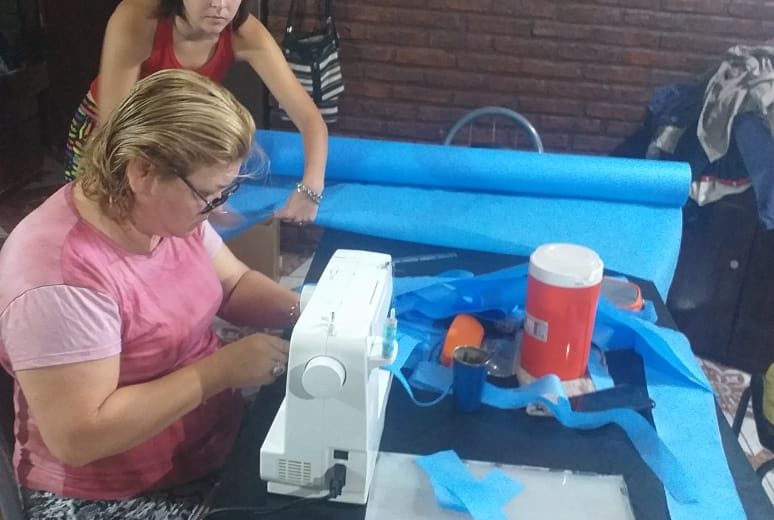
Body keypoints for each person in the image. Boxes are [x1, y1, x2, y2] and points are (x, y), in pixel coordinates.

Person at [0, 69, 302, 519]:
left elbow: (233, 284)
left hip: (208, 441)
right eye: (210, 194)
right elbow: (80, 437)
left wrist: (308, 312)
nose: (219, 208)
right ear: (143, 172)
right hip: (111, 493)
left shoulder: (162, 213)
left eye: (226, 190)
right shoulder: (59, 279)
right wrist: (219, 372)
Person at [64, 0, 328, 224]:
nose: (219, 5)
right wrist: (198, 196)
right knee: (104, 222)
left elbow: (309, 117)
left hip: (177, 137)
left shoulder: (244, 32)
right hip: (106, 135)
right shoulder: (139, 18)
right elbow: (114, 130)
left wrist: (311, 189)